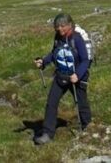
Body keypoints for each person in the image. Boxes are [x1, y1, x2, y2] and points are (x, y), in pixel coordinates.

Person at [32, 13, 91, 145]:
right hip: (61, 76)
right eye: (57, 26)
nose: (60, 29)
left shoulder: (77, 38)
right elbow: (54, 54)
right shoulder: (57, 38)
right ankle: (47, 134)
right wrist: (43, 62)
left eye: (62, 26)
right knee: (51, 103)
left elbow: (85, 60)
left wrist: (78, 74)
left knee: (82, 104)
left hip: (76, 78)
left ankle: (88, 129)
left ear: (70, 25)